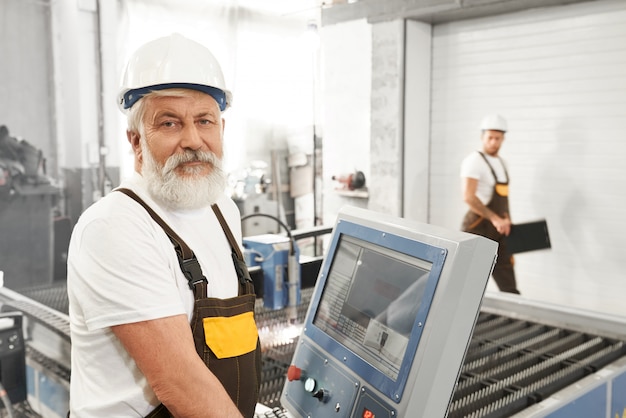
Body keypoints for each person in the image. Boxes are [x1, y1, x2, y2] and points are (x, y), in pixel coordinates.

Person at [66, 33, 261, 417]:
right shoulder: (115, 226)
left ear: (221, 128)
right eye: (169, 123)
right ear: (136, 142)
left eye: (204, 121)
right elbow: (180, 383)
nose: (192, 140)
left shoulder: (223, 210)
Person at [460, 114, 520, 294]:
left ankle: (513, 309)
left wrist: (506, 218)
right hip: (478, 228)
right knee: (468, 281)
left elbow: (503, 196)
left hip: (500, 229)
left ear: (503, 138)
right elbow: (468, 197)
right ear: (482, 136)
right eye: (490, 138)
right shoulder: (474, 161)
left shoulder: (503, 163)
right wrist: (494, 218)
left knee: (508, 281)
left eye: (498, 138)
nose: (494, 142)